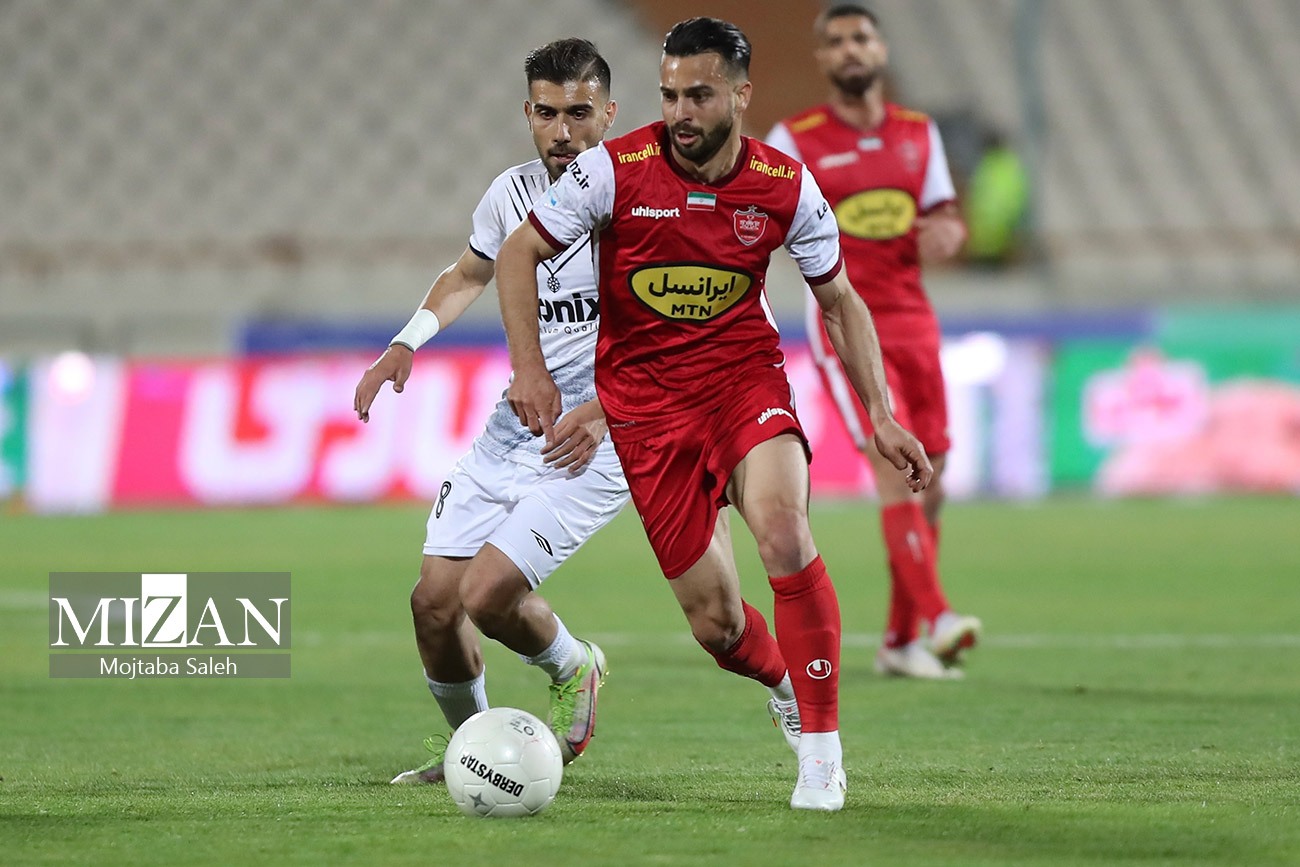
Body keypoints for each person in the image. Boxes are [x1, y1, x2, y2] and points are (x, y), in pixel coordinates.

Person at [495, 17, 933, 812]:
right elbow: (518, 251)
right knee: (718, 626)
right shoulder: (611, 172)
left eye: (698, 95)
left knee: (783, 530)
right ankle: (787, 687)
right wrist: (531, 367)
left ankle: (822, 754)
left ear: (741, 94)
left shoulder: (785, 184)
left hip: (743, 386)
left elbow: (840, 299)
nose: (680, 112)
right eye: (669, 95)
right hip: (647, 414)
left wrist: (881, 412)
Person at [352, 38, 628, 784]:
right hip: (513, 430)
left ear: (609, 112)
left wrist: (608, 409)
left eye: (579, 113)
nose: (562, 131)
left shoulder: (638, 199)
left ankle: (573, 666)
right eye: (546, 113)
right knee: (434, 606)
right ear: (527, 114)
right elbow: (467, 273)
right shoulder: (509, 195)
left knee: (487, 593)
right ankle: (474, 753)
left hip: (594, 439)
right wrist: (406, 342)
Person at [767, 4, 982, 680]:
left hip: (915, 319)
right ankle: (939, 617)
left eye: (860, 37)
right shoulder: (794, 139)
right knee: (894, 465)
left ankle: (899, 641)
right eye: (835, 42)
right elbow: (760, 215)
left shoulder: (919, 132)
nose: (849, 49)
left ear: (882, 49)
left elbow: (943, 213)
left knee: (932, 481)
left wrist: (950, 229)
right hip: (844, 323)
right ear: (822, 59)